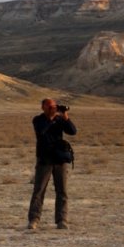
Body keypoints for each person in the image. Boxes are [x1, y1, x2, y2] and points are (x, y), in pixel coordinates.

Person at [27, 98, 77, 230]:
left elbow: (72, 131)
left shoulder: (59, 120)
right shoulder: (38, 120)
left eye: (53, 106)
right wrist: (52, 118)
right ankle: (34, 220)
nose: (52, 109)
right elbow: (41, 131)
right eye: (49, 107)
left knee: (62, 191)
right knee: (39, 191)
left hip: (59, 160)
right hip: (44, 160)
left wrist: (65, 117)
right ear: (43, 107)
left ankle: (62, 220)